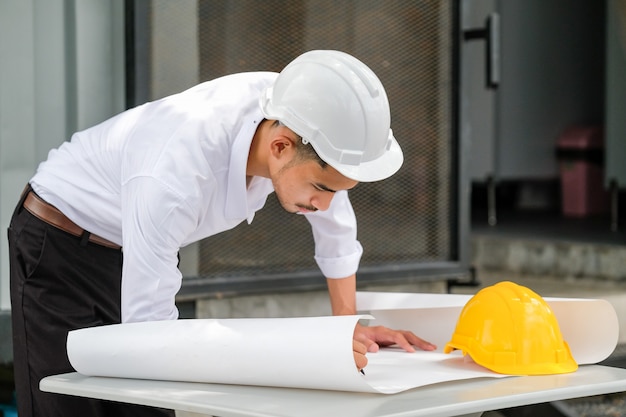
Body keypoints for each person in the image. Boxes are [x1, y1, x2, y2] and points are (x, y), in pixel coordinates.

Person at [8, 50, 435, 417]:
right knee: (67, 404)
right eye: (321, 188)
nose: (324, 203)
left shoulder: (303, 112)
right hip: (57, 243)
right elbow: (148, 339)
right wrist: (303, 358)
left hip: (134, 242)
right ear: (280, 146)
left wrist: (346, 325)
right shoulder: (175, 174)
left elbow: (335, 225)